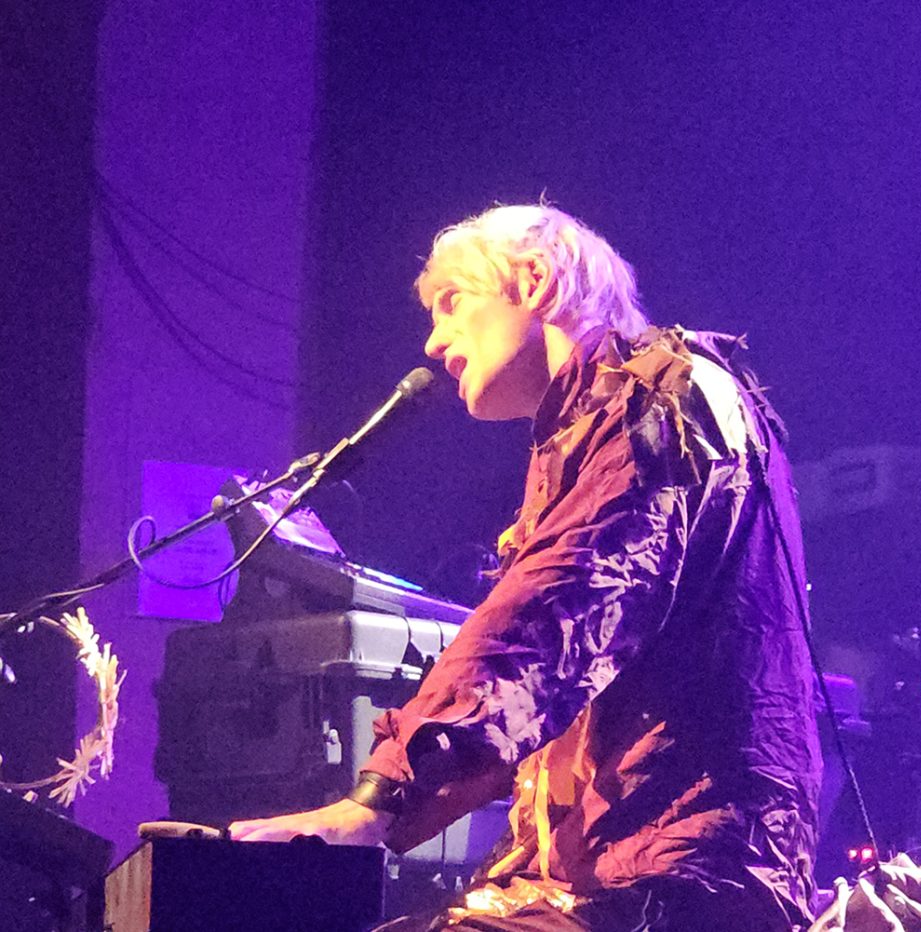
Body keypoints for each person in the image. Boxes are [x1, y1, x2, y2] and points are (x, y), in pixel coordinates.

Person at [230, 204, 822, 930]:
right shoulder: (599, 420)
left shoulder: (660, 400)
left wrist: (377, 800)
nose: (435, 338)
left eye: (454, 303)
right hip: (617, 870)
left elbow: (555, 611)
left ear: (535, 281)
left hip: (680, 881)